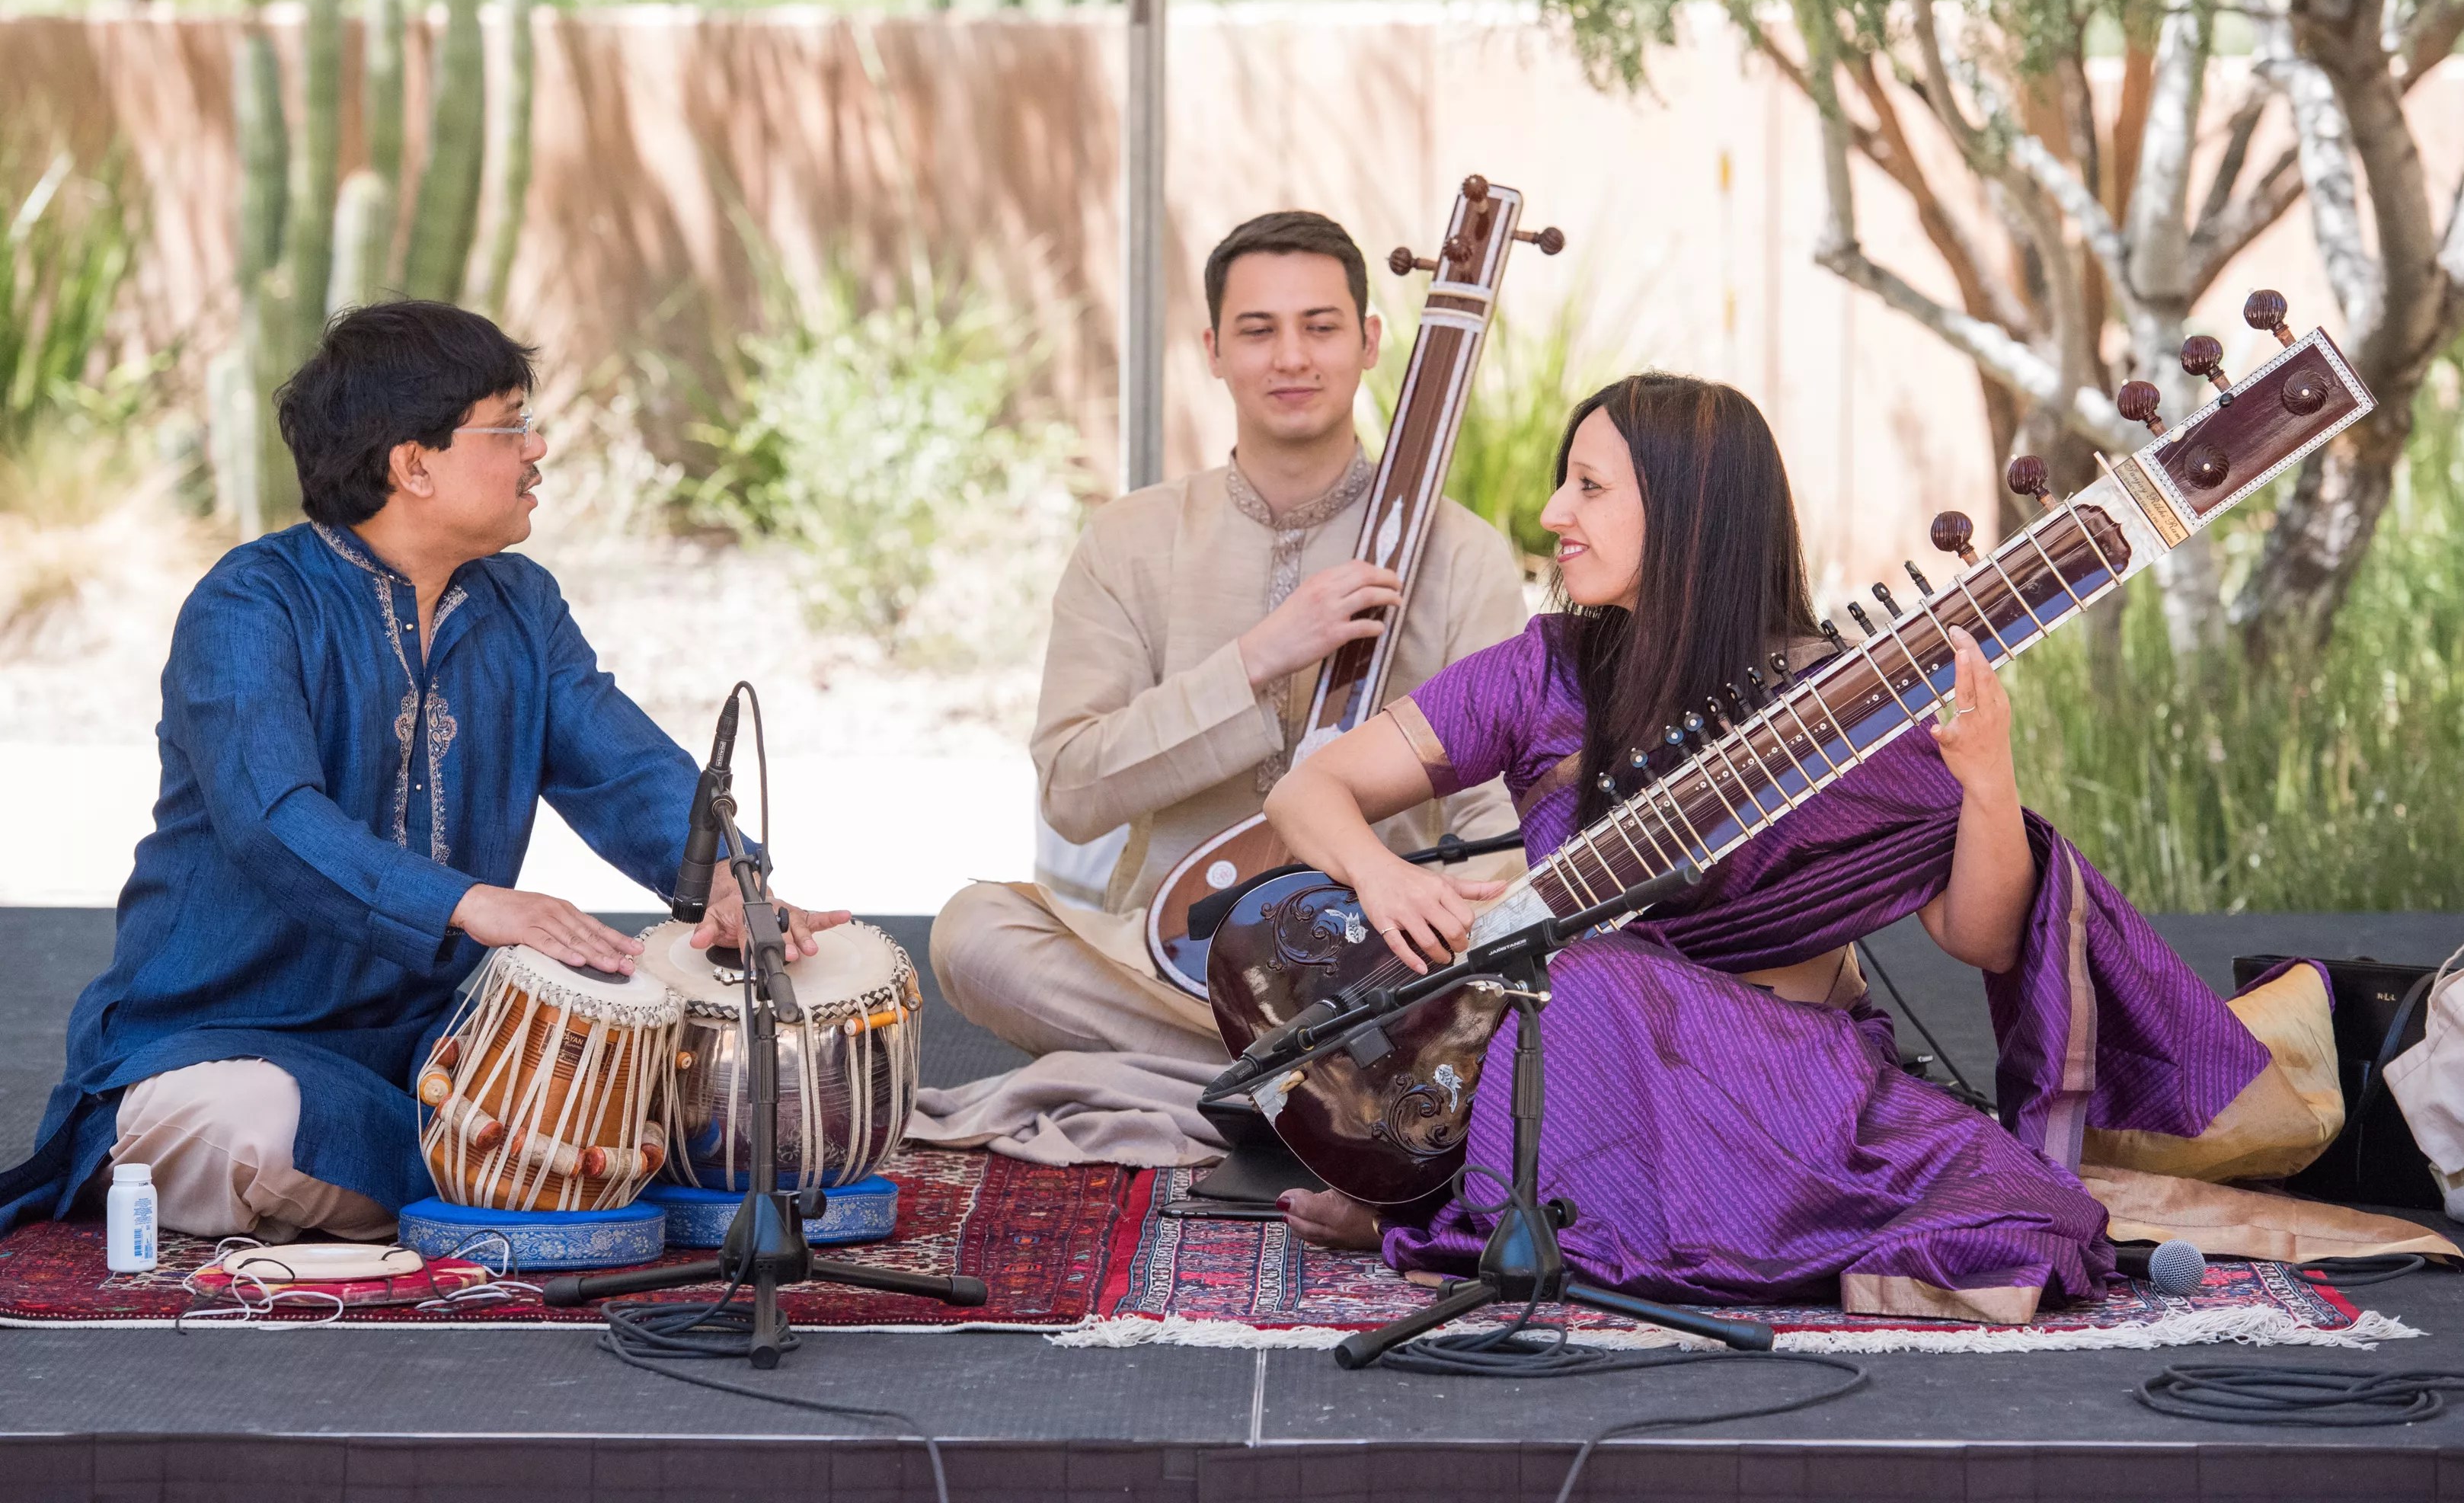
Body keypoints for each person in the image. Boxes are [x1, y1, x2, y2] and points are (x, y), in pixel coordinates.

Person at [1264, 373, 2331, 1322]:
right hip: (1585, 1070)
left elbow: (1982, 937)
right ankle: (1499, 1204)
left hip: (1778, 1086)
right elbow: (1306, 792)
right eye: (1563, 484)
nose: (1553, 514)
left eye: (1588, 488)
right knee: (1581, 989)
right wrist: (1381, 875)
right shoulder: (1540, 671)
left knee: (2013, 1220)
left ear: (1687, 513)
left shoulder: (1844, 707)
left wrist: (1987, 780)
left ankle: (1489, 1211)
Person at [0, 301, 845, 1244]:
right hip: (225, 1035)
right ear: (414, 465)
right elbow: (272, 817)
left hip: (442, 1042)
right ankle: (496, 1185)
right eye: (510, 426)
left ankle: (478, 1181)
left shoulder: (519, 605)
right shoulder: (251, 603)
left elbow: (625, 767)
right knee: (248, 1126)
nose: (538, 449)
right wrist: (469, 904)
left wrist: (729, 879)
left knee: (680, 1071)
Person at [912, 211, 1529, 1166]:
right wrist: (1254, 660)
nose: (1292, 357)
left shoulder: (1461, 556)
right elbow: (1072, 790)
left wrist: (1453, 934)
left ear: (1369, 342)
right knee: (971, 935)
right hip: (1166, 958)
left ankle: (1198, 1079)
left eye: (1320, 326)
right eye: (1257, 330)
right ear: (1212, 350)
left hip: (1377, 969)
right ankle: (1322, 1089)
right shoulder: (1131, 541)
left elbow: (1504, 809)